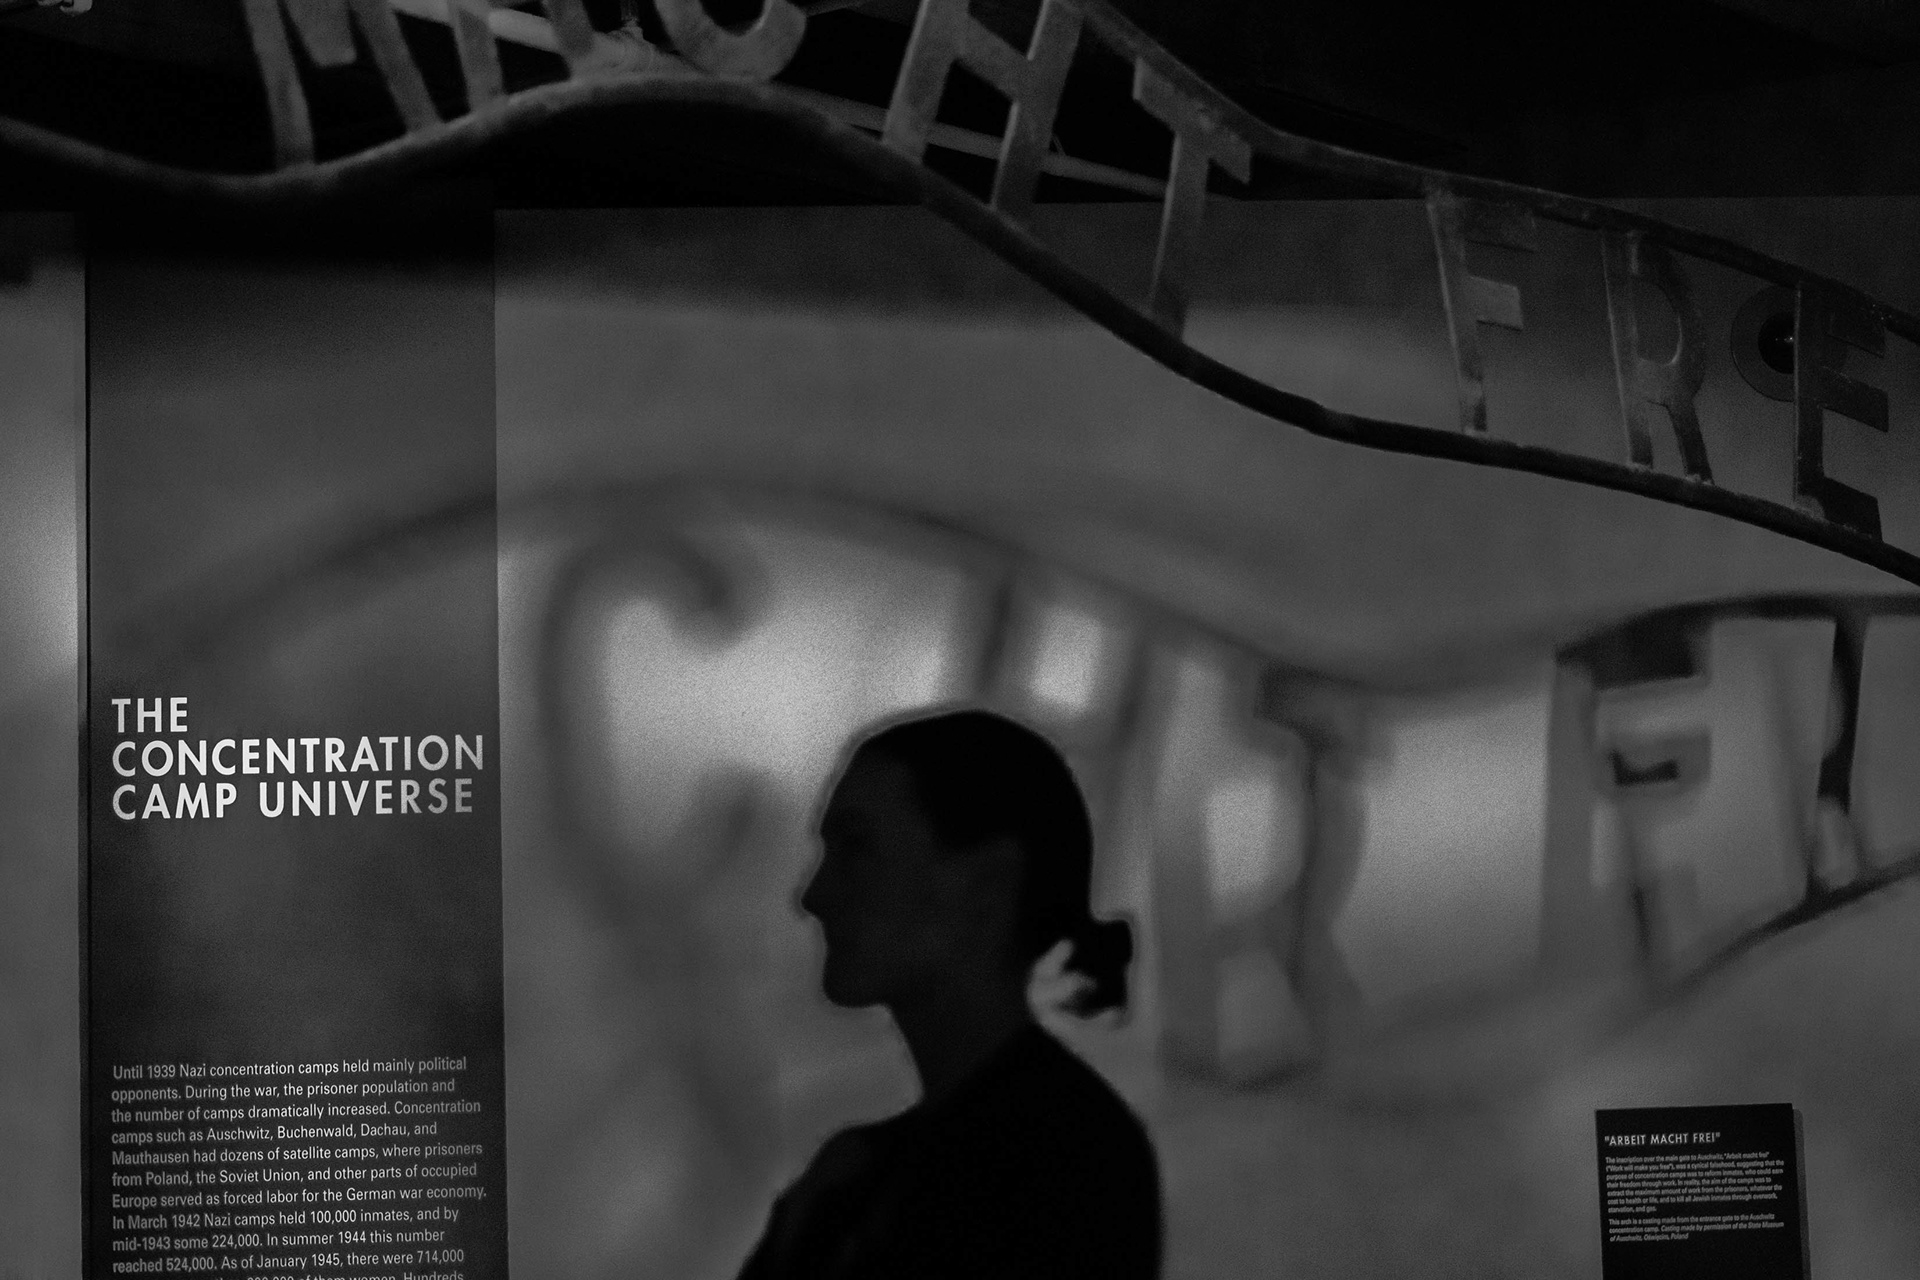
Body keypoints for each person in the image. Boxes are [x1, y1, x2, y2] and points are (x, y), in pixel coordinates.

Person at [736, 708, 1164, 1280]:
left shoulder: (1068, 1164)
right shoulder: (861, 1173)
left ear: (988, 884)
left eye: (857, 848)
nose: (812, 895)